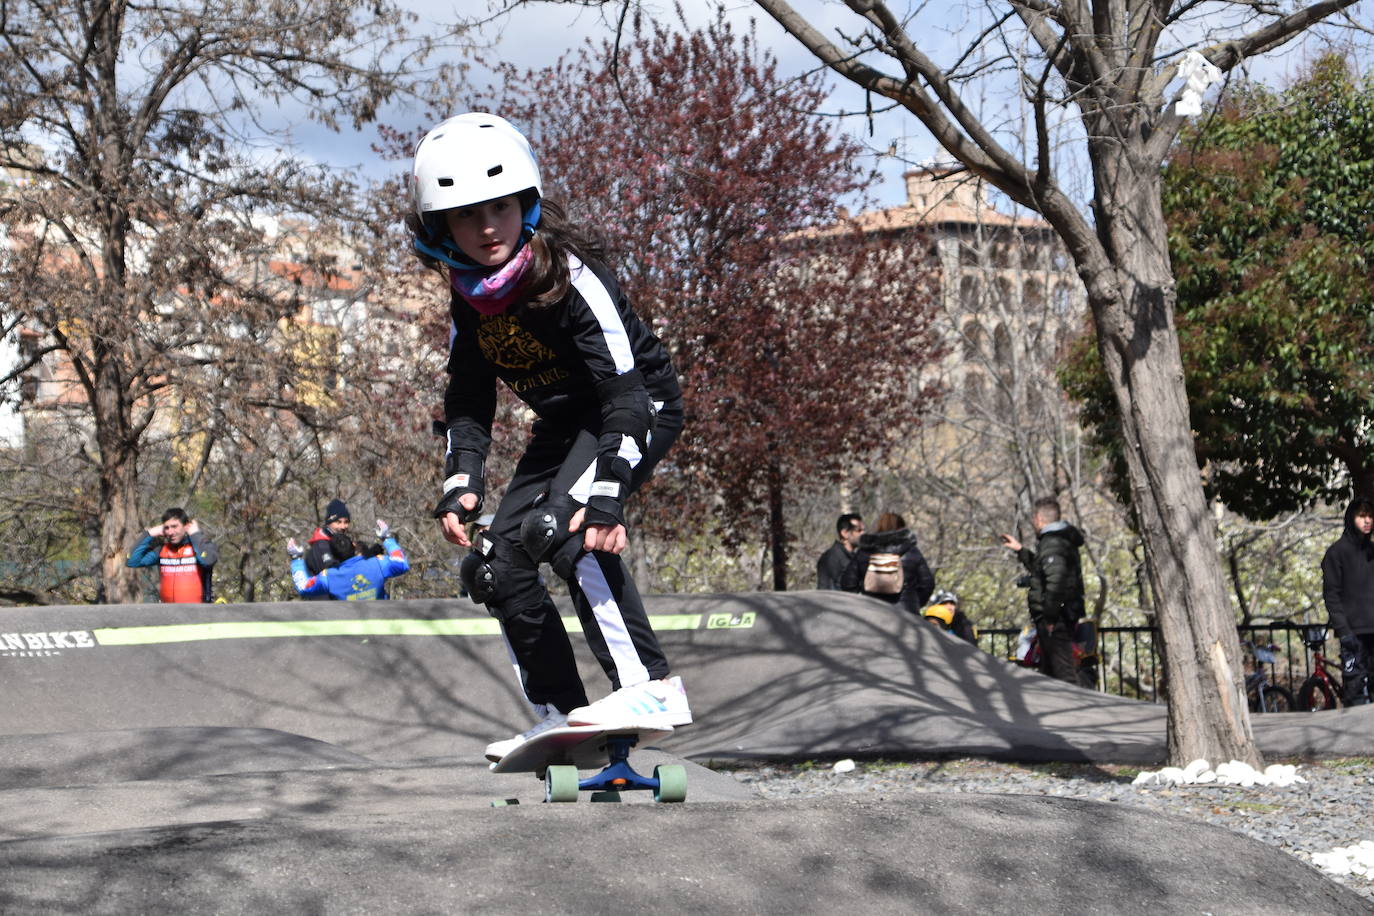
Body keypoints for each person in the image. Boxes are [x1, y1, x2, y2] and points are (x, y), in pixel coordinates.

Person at [408, 112, 691, 762]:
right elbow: (468, 399)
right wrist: (462, 482)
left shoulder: (567, 276)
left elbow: (625, 392)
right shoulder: (468, 299)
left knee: (565, 535)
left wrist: (607, 497)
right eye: (465, 215)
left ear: (526, 203)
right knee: (496, 564)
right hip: (566, 424)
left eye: (500, 208)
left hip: (630, 406)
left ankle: (647, 689)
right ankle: (563, 719)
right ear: (439, 227)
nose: (485, 228)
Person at [1000, 496, 1085, 685]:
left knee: (1062, 671)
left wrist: (1050, 618)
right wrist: (1020, 550)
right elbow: (1043, 571)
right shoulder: (1058, 540)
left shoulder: (1053, 542)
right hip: (1060, 615)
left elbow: (1056, 583)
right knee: (1050, 671)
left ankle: (1069, 709)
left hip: (1057, 618)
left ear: (1038, 518)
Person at [1321, 495, 1374, 706]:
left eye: (1370, 516)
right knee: (1355, 693)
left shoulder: (1372, 552)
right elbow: (1331, 596)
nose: (1367, 520)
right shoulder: (1336, 553)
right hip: (1353, 635)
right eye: (1362, 516)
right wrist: (1344, 632)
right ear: (1351, 518)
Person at [840, 511, 935, 616]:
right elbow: (927, 583)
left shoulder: (864, 551)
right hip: (906, 616)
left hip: (872, 615)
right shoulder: (911, 550)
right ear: (901, 528)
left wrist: (863, 602)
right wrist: (913, 602)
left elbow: (847, 583)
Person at [290, 520, 409, 601]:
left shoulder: (329, 577)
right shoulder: (378, 563)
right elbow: (401, 563)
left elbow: (303, 588)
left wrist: (296, 559)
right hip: (381, 628)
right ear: (353, 545)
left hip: (350, 633)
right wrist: (386, 538)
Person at [126, 508, 218, 603]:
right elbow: (132, 561)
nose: (170, 532)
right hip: (168, 613)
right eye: (167, 528)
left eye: (174, 526)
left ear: (186, 526)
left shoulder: (201, 547)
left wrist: (195, 534)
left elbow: (208, 560)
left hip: (197, 613)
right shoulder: (162, 550)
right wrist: (150, 533)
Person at [303, 498, 354, 576]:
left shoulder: (341, 543)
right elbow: (330, 577)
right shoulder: (321, 546)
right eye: (338, 522)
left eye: (346, 522)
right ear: (329, 523)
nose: (343, 526)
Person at [816, 513, 863, 590]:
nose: (863, 534)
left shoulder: (855, 557)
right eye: (859, 530)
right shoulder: (832, 557)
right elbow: (826, 591)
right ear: (844, 533)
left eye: (863, 530)